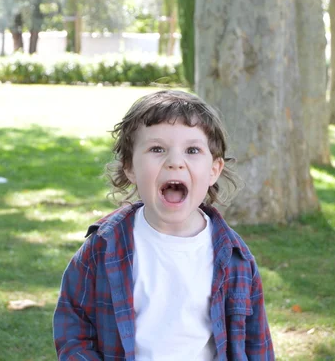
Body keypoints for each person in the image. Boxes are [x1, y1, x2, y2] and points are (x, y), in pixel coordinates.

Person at [53, 90, 274, 360]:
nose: (175, 163)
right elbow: (73, 329)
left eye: (192, 150)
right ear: (129, 167)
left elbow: (256, 344)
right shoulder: (103, 247)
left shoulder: (235, 258)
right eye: (157, 149)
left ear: (214, 170)